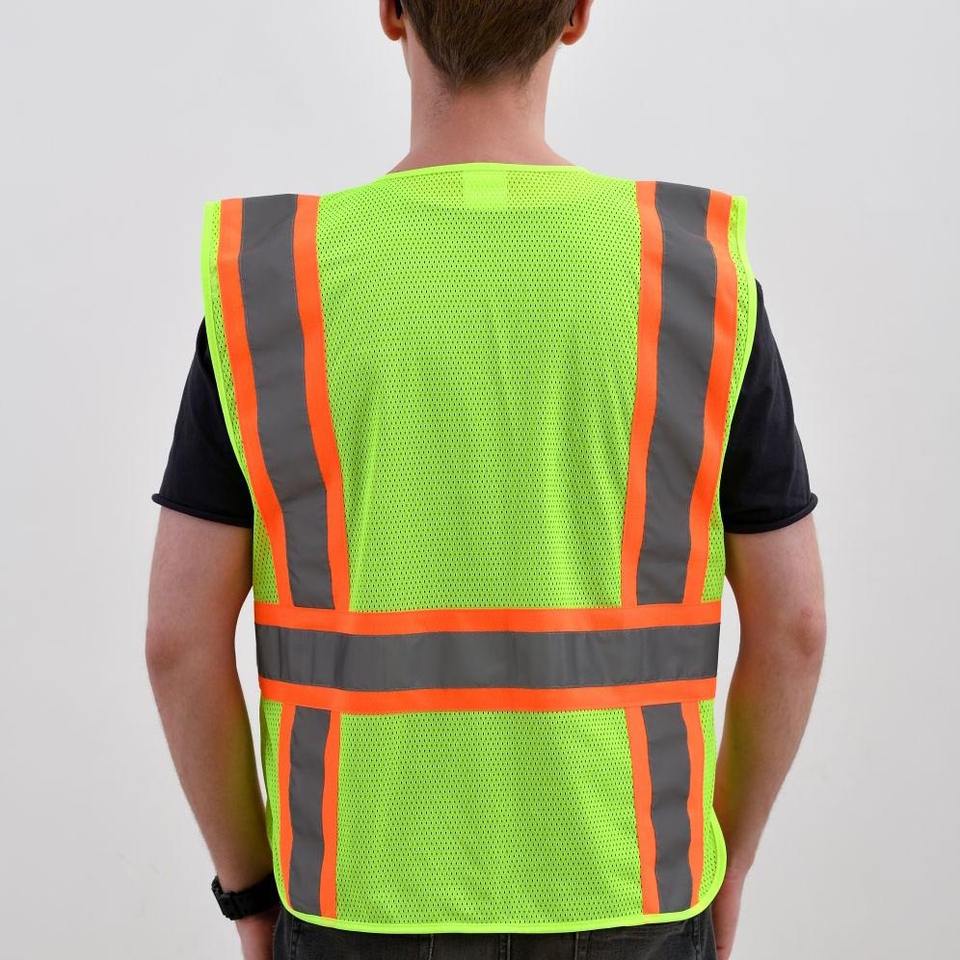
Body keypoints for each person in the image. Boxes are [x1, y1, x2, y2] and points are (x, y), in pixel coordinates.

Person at [146, 2, 826, 959]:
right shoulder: (696, 277)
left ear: (392, 12)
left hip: (353, 903)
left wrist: (252, 895)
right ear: (576, 16)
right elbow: (796, 625)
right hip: (632, 894)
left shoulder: (274, 286)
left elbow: (177, 642)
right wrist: (729, 864)